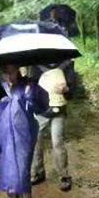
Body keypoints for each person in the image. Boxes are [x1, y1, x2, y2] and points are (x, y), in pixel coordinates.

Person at [0, 62, 49, 198]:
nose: (9, 75)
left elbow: (41, 106)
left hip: (23, 137)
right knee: (9, 176)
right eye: (5, 72)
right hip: (3, 137)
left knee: (22, 174)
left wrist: (31, 95)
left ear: (17, 70)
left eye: (11, 71)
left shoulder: (28, 85)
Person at [30, 59, 76, 190]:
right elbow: (32, 85)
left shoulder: (66, 64)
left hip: (58, 109)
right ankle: (38, 172)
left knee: (57, 142)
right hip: (41, 110)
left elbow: (72, 88)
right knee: (36, 141)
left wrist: (66, 89)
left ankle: (64, 175)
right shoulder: (36, 65)